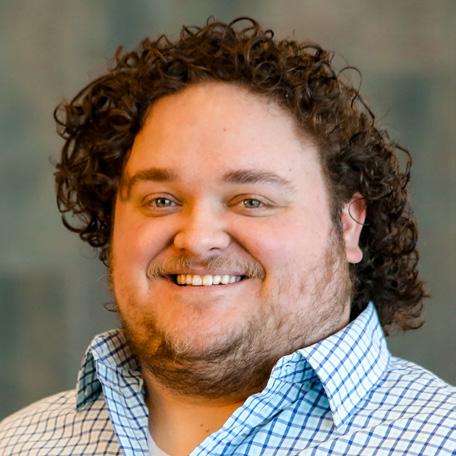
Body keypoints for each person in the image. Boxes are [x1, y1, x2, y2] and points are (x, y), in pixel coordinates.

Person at [0, 17, 454, 456]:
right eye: (161, 200)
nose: (197, 239)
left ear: (349, 224)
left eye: (251, 201)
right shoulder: (17, 444)